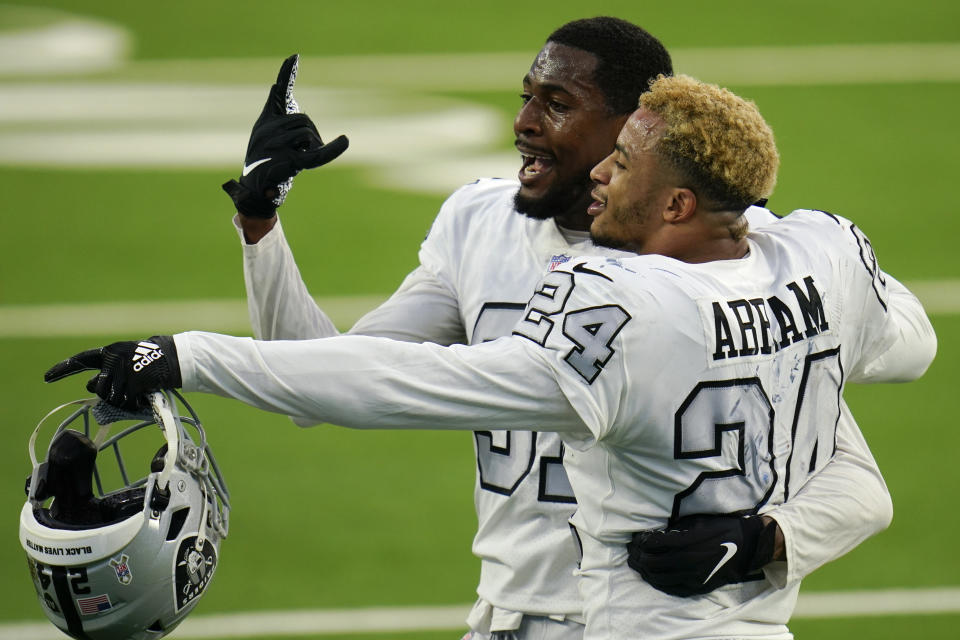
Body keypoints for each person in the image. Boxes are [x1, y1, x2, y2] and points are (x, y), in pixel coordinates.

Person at [46, 74, 936, 638]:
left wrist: (191, 355)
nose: (527, 127)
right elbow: (905, 345)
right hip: (517, 616)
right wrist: (261, 227)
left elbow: (416, 384)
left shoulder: (636, 304)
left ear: (667, 189)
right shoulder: (807, 261)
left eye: (567, 111)